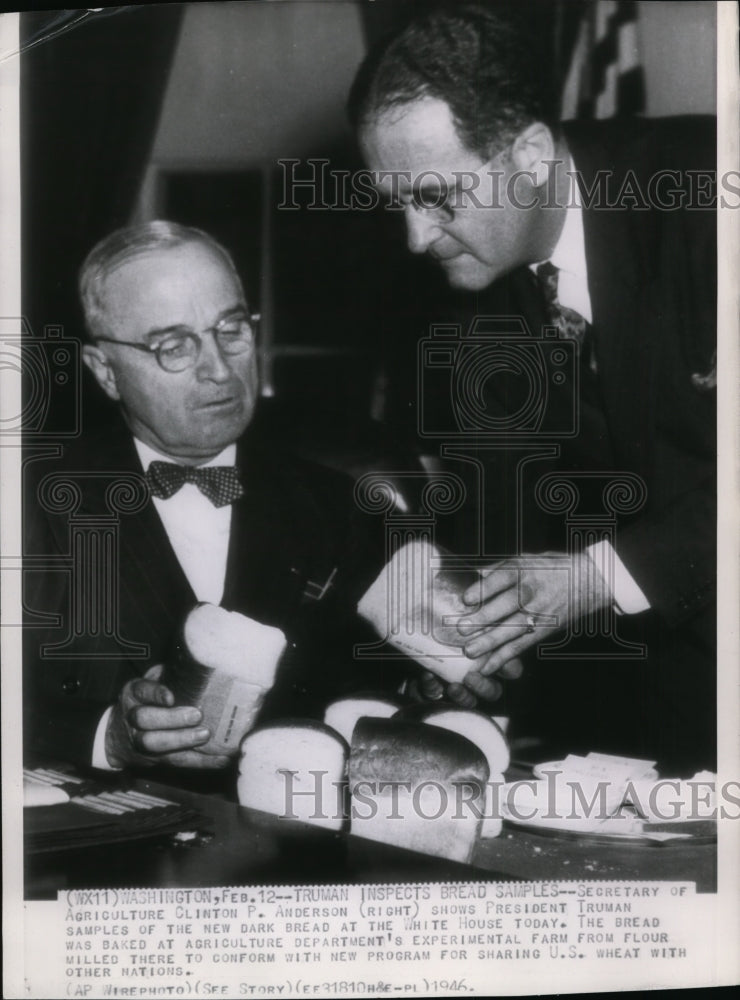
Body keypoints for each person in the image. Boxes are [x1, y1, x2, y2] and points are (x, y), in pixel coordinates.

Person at [348, 4, 716, 771]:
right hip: (679, 692)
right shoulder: (472, 303)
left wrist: (599, 576)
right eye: (398, 206)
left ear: (532, 151)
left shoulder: (708, 198)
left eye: (438, 197)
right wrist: (468, 647)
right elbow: (506, 518)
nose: (416, 240)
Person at [23, 221, 397, 783]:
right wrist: (108, 739)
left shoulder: (343, 508)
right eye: (174, 346)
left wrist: (431, 684)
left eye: (231, 330)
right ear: (105, 372)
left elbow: (373, 691)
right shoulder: (26, 508)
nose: (220, 369)